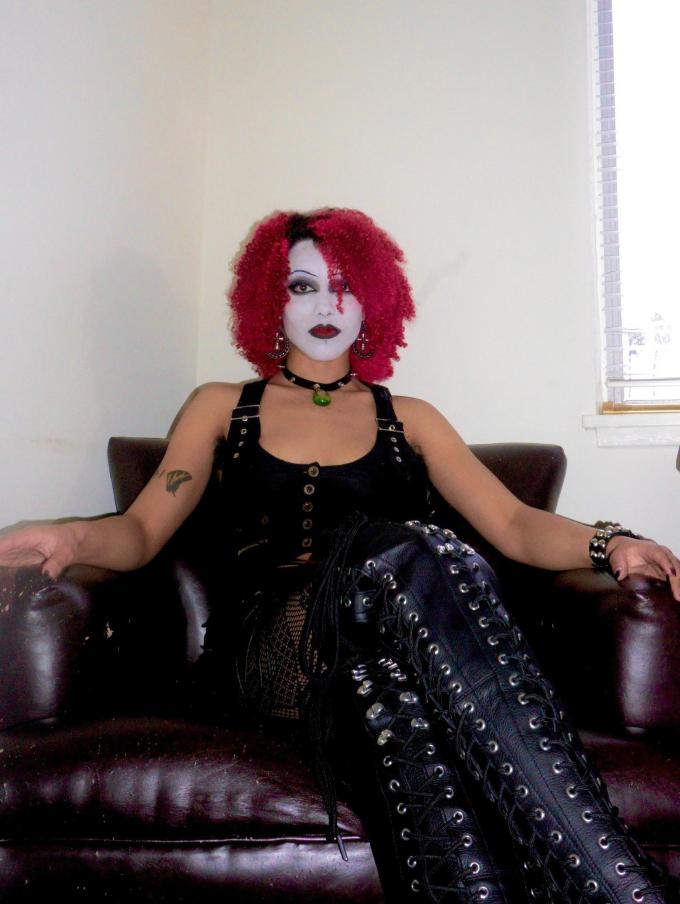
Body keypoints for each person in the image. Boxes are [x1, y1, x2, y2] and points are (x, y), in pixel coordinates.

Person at [1, 207, 679, 904]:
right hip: (271, 655)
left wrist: (611, 543)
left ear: (374, 302)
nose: (326, 306)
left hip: (373, 658)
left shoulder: (410, 418)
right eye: (303, 287)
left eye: (346, 287)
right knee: (410, 551)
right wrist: (72, 538)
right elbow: (143, 530)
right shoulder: (222, 407)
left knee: (399, 711)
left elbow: (512, 523)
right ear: (270, 300)